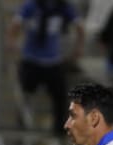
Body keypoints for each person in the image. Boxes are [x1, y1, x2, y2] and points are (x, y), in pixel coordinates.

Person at [6, 0, 84, 136]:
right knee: (25, 93)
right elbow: (16, 24)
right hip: (31, 59)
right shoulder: (31, 5)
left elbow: (79, 27)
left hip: (53, 61)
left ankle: (59, 131)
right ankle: (22, 123)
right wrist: (12, 43)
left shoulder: (63, 7)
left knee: (60, 97)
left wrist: (78, 49)